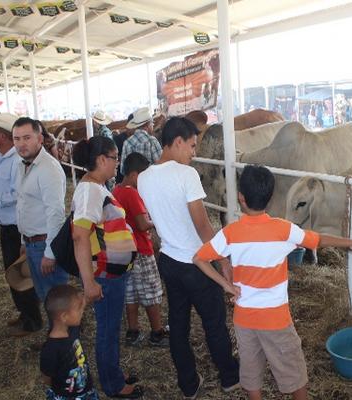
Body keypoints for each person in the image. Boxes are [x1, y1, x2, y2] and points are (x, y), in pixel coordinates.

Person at [192, 165, 352, 400]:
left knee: (251, 373)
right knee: (294, 372)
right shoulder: (283, 230)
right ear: (270, 199)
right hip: (275, 319)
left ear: (241, 198)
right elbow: (317, 241)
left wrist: (226, 285)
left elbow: (199, 258)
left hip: (244, 318)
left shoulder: (230, 233)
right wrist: (351, 242)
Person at [138, 117, 239, 399]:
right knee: (214, 323)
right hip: (197, 263)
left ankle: (188, 383)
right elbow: (203, 226)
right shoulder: (186, 175)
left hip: (168, 261)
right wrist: (223, 260)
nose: (194, 153)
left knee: (179, 325)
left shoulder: (144, 177)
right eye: (192, 146)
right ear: (178, 141)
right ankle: (230, 376)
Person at [71, 136, 143, 399]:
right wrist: (89, 282)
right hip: (104, 275)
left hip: (109, 273)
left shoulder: (97, 187)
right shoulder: (90, 190)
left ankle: (113, 371)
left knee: (111, 325)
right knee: (108, 328)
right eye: (115, 158)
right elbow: (80, 235)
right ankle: (113, 385)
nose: (117, 164)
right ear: (102, 159)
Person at [0, 113, 43, 336]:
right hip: (9, 226)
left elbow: (18, 194)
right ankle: (25, 313)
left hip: (16, 226)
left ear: (3, 136)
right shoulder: (4, 156)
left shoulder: (15, 160)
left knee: (20, 271)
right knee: (12, 270)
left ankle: (32, 319)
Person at [111, 152, 167, 347]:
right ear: (135, 175)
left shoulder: (116, 190)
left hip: (125, 250)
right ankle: (157, 332)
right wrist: (158, 219)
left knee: (131, 292)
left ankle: (133, 332)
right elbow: (142, 224)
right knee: (151, 291)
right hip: (141, 248)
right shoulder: (132, 193)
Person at [13, 117, 68, 302]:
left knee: (58, 302)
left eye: (27, 138)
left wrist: (50, 254)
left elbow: (56, 214)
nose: (21, 144)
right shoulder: (23, 165)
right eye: (17, 139)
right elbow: (24, 204)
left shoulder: (48, 169)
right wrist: (23, 240)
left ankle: (68, 332)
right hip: (32, 244)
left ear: (40, 139)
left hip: (45, 244)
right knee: (47, 298)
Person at [40, 285, 99, 400]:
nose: (82, 311)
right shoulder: (51, 349)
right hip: (66, 396)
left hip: (86, 390)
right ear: (64, 316)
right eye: (79, 309)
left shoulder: (72, 328)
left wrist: (87, 294)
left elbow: (83, 301)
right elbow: (47, 377)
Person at [120, 107, 162, 175]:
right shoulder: (152, 141)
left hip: (133, 184)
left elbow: (123, 170)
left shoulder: (127, 143)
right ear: (148, 125)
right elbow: (161, 166)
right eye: (152, 123)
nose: (153, 125)